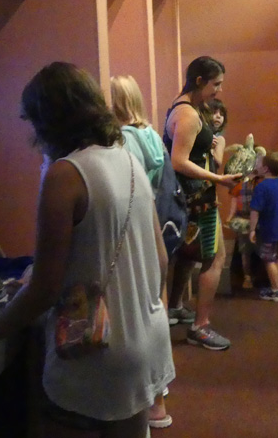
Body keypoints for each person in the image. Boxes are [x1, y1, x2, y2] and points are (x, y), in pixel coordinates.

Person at [0, 62, 174, 438]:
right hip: (147, 340)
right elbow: (159, 259)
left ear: (48, 121)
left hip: (98, 351)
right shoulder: (129, 159)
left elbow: (46, 289)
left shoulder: (65, 175)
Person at [163, 56, 240, 351]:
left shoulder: (185, 106)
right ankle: (201, 325)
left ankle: (176, 305)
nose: (219, 90)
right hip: (196, 200)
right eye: (215, 84)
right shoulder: (188, 114)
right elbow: (179, 161)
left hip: (191, 198)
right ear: (199, 81)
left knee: (187, 255)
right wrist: (218, 178)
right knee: (215, 257)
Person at [109, 74, 172, 430]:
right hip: (155, 223)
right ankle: (160, 386)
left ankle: (151, 399)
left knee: (135, 313)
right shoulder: (151, 135)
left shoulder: (123, 141)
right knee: (155, 305)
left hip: (133, 229)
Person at [243, 150, 278, 302]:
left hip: (270, 230)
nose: (256, 166)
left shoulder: (261, 187)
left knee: (269, 260)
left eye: (259, 164)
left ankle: (276, 290)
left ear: (265, 169)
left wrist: (252, 230)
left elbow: (255, 210)